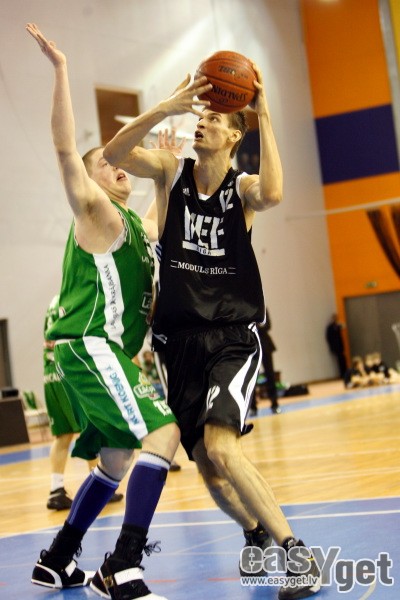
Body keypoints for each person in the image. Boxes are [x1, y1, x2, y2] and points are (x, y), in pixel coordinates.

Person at [103, 62, 321, 599]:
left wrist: (262, 111)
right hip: (177, 345)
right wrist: (164, 107)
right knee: (208, 468)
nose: (203, 121)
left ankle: (299, 557)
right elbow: (113, 155)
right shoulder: (170, 172)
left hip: (229, 338)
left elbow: (274, 193)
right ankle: (254, 531)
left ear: (234, 136)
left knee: (223, 448)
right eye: (201, 115)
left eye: (216, 117)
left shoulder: (240, 188)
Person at [26, 23, 180, 600]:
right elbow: (66, 149)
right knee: (164, 431)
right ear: (90, 181)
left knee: (115, 456)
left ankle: (56, 559)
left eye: (122, 168)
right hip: (89, 346)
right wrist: (62, 69)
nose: (120, 169)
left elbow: (161, 224)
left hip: (103, 351)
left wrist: (165, 171)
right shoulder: (95, 212)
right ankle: (123, 564)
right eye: (108, 165)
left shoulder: (134, 225)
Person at [44, 294, 123, 510]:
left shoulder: (52, 302)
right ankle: (99, 485)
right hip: (68, 371)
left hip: (50, 374)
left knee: (62, 435)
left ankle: (56, 489)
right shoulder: (72, 298)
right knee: (92, 426)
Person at [325, 313, 348, 379]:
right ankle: (342, 374)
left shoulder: (337, 325)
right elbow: (328, 337)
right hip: (335, 346)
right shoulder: (330, 327)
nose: (335, 319)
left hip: (340, 346)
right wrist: (332, 347)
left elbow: (344, 326)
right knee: (340, 360)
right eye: (334, 318)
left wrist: (339, 324)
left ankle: (345, 373)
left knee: (343, 359)